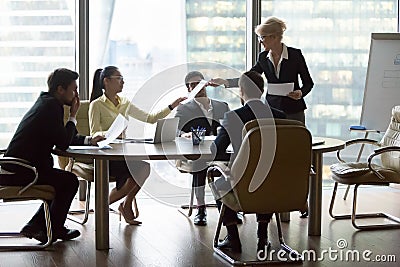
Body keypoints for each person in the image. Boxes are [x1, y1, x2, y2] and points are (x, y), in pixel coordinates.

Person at [211, 16, 313, 217]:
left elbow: (308, 82)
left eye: (263, 38)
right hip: (272, 108)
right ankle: (275, 198)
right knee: (269, 151)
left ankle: (299, 198)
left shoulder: (295, 55)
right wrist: (226, 82)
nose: (261, 42)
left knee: (293, 154)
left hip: (293, 109)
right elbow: (249, 79)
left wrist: (301, 92)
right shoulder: (262, 57)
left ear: (275, 37)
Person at [1, 68, 103, 244]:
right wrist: (72, 115)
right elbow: (63, 143)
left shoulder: (47, 103)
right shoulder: (51, 107)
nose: (76, 93)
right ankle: (52, 230)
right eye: (74, 89)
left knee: (62, 180)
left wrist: (88, 140)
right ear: (60, 89)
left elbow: (62, 137)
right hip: (21, 171)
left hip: (18, 167)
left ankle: (37, 226)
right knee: (69, 181)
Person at [89, 66, 186, 225]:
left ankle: (126, 205)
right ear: (106, 81)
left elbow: (151, 118)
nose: (123, 82)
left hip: (122, 152)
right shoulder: (96, 105)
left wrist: (172, 105)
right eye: (119, 78)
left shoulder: (125, 103)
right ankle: (101, 206)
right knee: (135, 171)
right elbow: (94, 133)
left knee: (144, 168)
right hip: (105, 155)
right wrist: (112, 132)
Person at [211, 70, 286, 254]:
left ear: (241, 91)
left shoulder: (233, 116)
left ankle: (233, 238)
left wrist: (228, 164)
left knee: (218, 183)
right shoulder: (280, 116)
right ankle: (262, 236)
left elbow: (216, 150)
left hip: (243, 184)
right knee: (267, 181)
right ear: (262, 90)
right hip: (275, 184)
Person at [174, 71, 230, 226]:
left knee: (232, 164)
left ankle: (228, 209)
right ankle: (201, 208)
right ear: (189, 89)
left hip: (220, 151)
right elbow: (174, 130)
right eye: (193, 85)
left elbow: (232, 127)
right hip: (196, 153)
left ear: (205, 85)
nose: (197, 87)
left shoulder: (222, 106)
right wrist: (184, 134)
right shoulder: (184, 109)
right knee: (200, 163)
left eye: (199, 83)